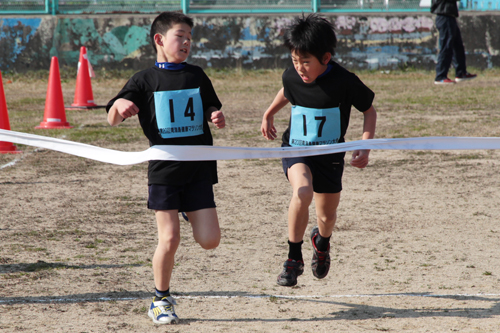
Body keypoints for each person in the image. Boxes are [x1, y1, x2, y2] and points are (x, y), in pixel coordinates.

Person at [106, 11, 226, 324]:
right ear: (160, 40)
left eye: (190, 38)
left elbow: (212, 104)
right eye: (180, 36)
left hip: (198, 169)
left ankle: (188, 209)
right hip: (164, 173)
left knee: (210, 241)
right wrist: (119, 106)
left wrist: (215, 115)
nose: (186, 42)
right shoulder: (144, 79)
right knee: (169, 239)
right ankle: (160, 300)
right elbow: (112, 116)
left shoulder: (197, 75)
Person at [260, 14, 377, 287]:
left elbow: (369, 111)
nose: (299, 68)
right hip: (296, 149)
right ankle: (293, 259)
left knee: (326, 217)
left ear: (325, 58)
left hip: (330, 157)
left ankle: (321, 242)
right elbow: (287, 90)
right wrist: (268, 114)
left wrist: (365, 145)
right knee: (302, 191)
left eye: (305, 62)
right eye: (294, 60)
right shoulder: (292, 74)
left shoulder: (345, 81)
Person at [431, 0, 477, 84]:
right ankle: (440, 76)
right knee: (446, 47)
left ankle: (461, 73)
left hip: (450, 17)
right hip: (444, 16)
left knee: (458, 46)